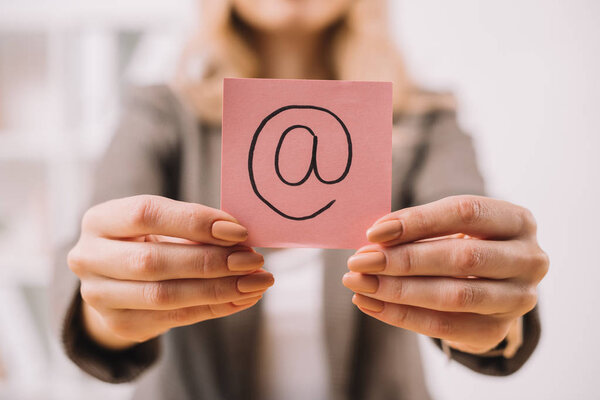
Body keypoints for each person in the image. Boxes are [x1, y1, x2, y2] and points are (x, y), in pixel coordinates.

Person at [51, 0, 549, 399]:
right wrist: (105, 311)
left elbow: (474, 248)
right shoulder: (161, 113)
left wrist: (492, 310)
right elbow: (89, 249)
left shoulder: (426, 118)